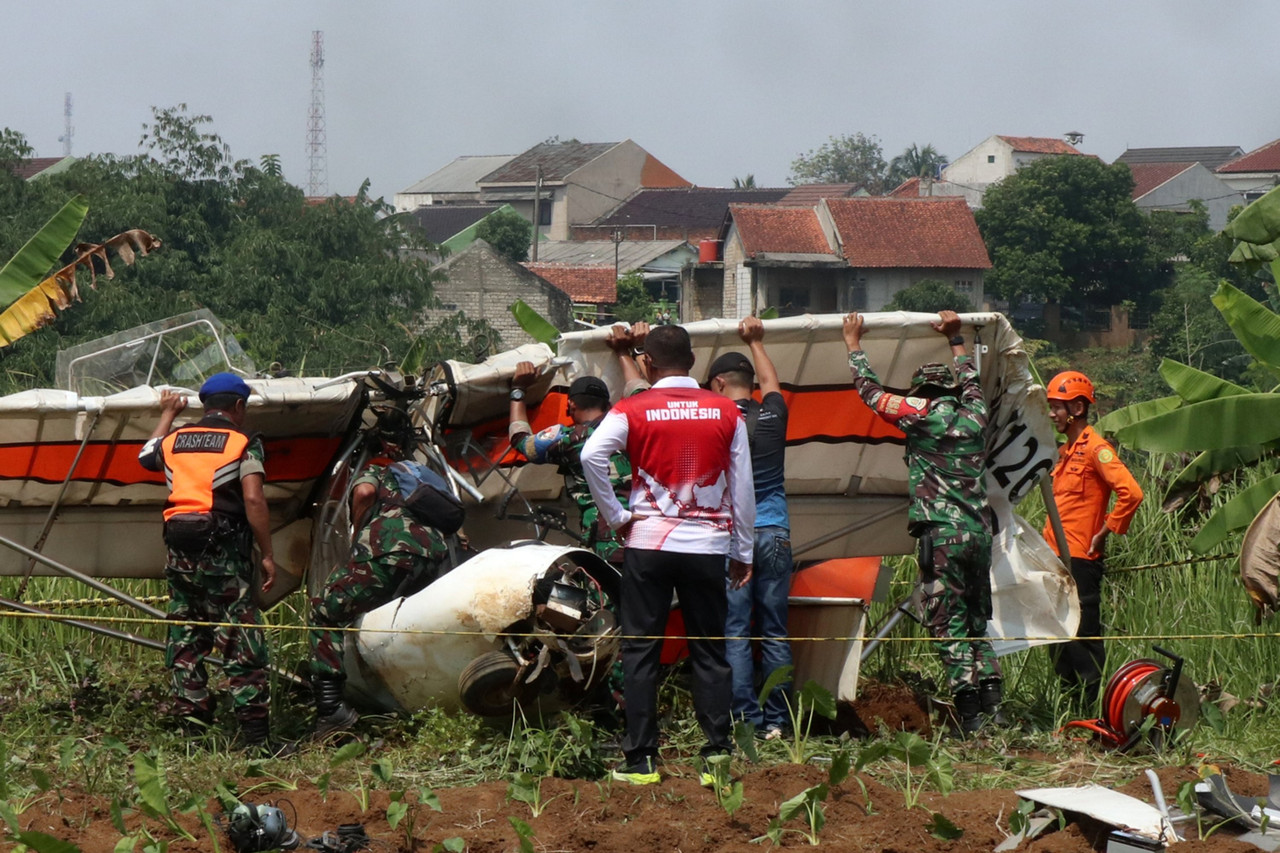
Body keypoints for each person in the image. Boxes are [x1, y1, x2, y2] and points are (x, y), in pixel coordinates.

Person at [581, 324, 754, 786]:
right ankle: (716, 758)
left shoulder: (632, 407)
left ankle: (640, 762)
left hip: (649, 544)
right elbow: (741, 487)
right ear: (693, 362)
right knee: (709, 650)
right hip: (708, 545)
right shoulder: (725, 411)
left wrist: (617, 516)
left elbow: (591, 456)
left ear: (649, 364)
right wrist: (742, 549)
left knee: (640, 652)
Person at [843, 310, 1005, 734]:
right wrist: (955, 339)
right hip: (978, 535)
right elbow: (970, 377)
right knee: (976, 621)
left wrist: (853, 345)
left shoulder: (920, 412)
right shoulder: (974, 414)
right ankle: (995, 708)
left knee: (946, 624)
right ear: (949, 387)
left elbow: (872, 395)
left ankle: (969, 717)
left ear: (922, 391)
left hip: (942, 537)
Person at [137, 373, 278, 749]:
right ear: (238, 407)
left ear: (205, 405)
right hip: (224, 555)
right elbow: (253, 501)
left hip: (179, 551)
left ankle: (193, 733)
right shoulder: (243, 442)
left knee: (185, 634)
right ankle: (255, 739)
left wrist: (167, 413)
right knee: (239, 637)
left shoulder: (175, 441)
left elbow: (145, 456)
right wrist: (267, 554)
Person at [308, 446, 454, 738]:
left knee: (324, 609)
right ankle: (408, 704)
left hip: (386, 548)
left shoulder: (378, 470)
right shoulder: (424, 477)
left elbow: (363, 494)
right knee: (395, 622)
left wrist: (359, 538)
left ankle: (331, 709)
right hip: (432, 554)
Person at [705, 316, 794, 739]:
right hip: (774, 533)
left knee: (735, 630)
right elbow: (772, 383)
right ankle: (777, 721)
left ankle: (745, 719)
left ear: (719, 383)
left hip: (731, 537)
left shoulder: (714, 421)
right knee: (775, 629)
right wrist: (757, 340)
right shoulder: (774, 414)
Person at [508, 323, 649, 564]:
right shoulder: (636, 421)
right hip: (650, 533)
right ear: (608, 404)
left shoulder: (568, 441)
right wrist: (624, 351)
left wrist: (518, 390)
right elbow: (641, 392)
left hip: (605, 541)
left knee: (606, 600)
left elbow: (520, 441)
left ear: (570, 405)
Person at [1042, 370, 1143, 707]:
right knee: (1057, 637)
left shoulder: (1095, 449)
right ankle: (1068, 710)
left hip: (1081, 559)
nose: (1053, 413)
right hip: (1055, 557)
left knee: (1083, 637)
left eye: (1057, 407)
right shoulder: (1065, 451)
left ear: (1078, 408)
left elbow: (1132, 493)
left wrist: (1106, 531)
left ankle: (1091, 710)